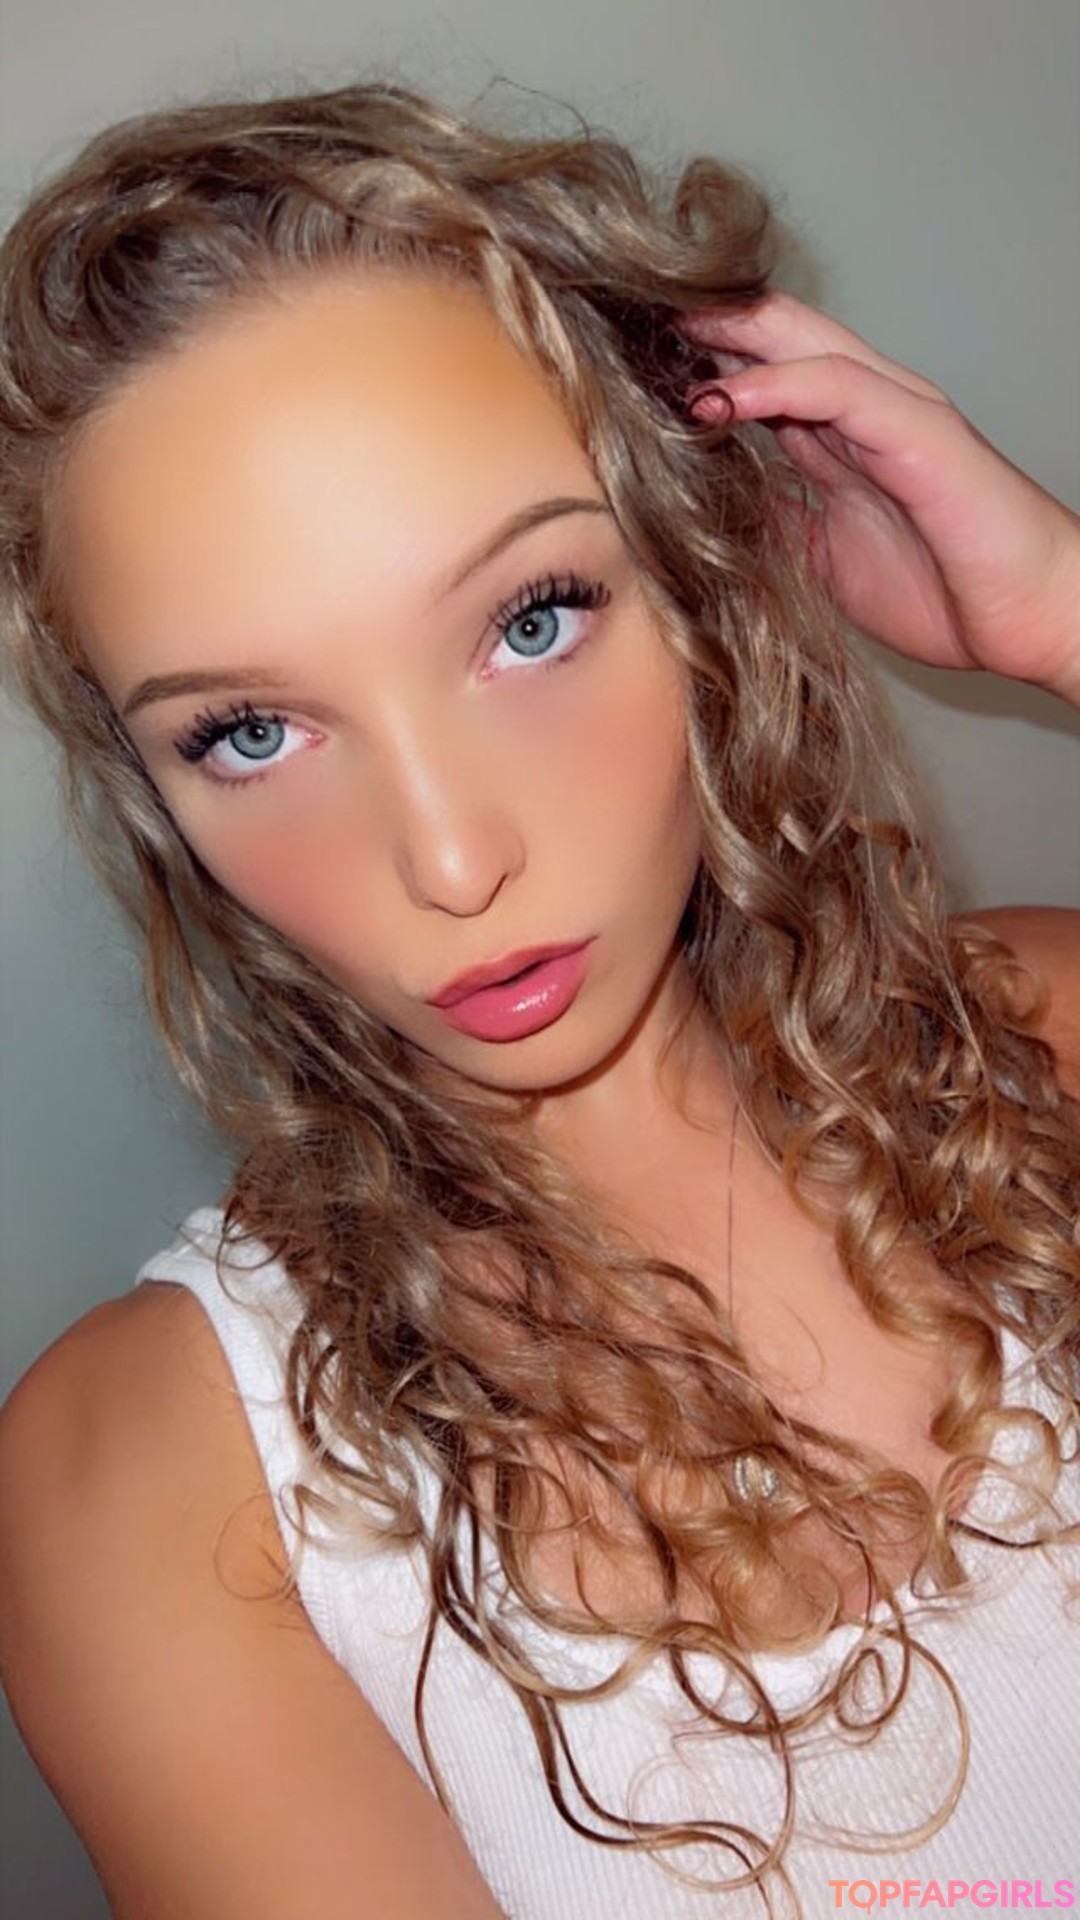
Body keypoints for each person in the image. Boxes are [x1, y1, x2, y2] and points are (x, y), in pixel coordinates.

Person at [0, 80, 1077, 1920]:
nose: (448, 858)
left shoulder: (1044, 1040)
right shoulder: (159, 1486)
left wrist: (1057, 612)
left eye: (530, 619)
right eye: (249, 732)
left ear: (700, 574)